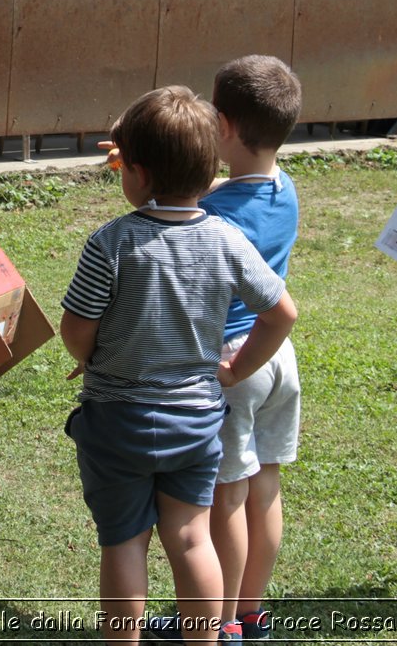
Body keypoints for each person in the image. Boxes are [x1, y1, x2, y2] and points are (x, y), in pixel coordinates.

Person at [60, 86, 298, 644]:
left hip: (117, 423)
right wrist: (235, 372)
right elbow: (282, 314)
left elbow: (76, 328)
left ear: (136, 174)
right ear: (209, 165)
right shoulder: (228, 237)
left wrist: (89, 355)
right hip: (195, 422)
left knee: (123, 541)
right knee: (193, 539)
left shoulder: (111, 243)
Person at [153, 56, 303, 643]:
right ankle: (249, 613)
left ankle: (217, 625)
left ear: (224, 124)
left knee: (226, 497)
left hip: (233, 364)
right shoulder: (284, 187)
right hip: (279, 359)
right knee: (265, 485)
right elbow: (232, 187)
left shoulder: (209, 215)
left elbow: (173, 218)